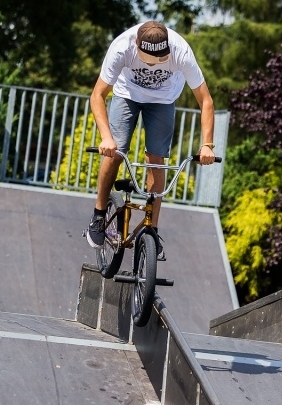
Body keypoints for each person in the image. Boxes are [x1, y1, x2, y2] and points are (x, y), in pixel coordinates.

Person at [85, 20, 216, 260]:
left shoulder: (181, 51)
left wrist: (207, 144)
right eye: (148, 61)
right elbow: (97, 95)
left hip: (163, 100)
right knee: (116, 149)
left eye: (160, 60)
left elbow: (205, 100)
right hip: (126, 94)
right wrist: (106, 137)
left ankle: (152, 229)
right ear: (136, 45)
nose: (154, 65)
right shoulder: (121, 47)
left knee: (157, 159)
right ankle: (99, 213)